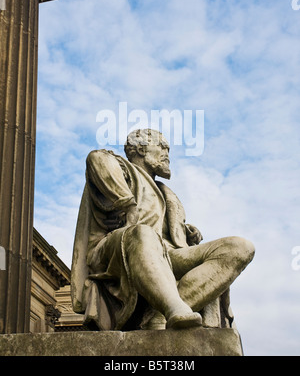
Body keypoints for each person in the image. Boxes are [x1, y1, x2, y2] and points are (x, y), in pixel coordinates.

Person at [71, 129, 255, 331]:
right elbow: (96, 160)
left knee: (239, 247)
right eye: (162, 147)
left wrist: (185, 232)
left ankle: (160, 310)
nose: (167, 154)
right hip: (116, 252)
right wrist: (127, 204)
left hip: (167, 255)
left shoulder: (166, 192)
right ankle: (172, 307)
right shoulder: (120, 167)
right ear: (140, 148)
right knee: (143, 233)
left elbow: (161, 224)